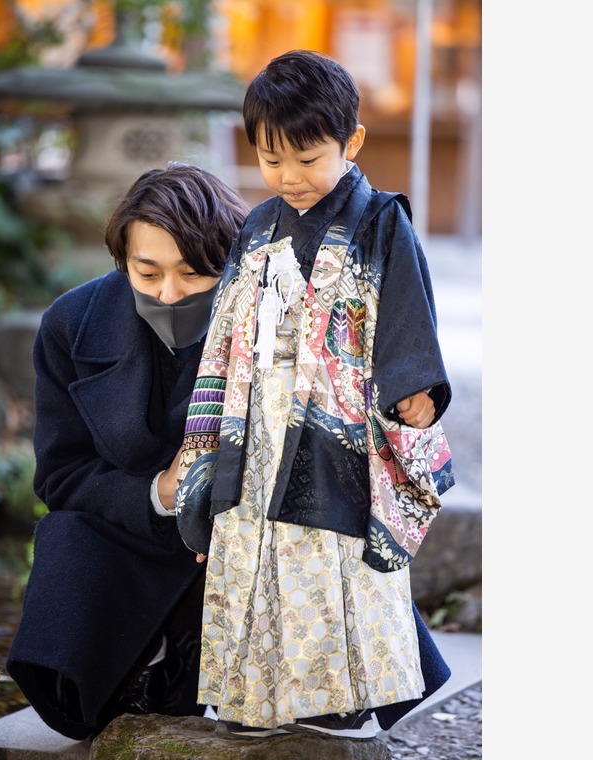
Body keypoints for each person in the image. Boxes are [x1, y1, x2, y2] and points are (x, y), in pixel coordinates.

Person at [173, 50, 456, 740]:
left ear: (351, 143)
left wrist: (414, 385)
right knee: (253, 546)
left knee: (329, 555)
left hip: (336, 422)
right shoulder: (257, 225)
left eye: (308, 159)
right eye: (272, 160)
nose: (290, 178)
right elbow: (226, 327)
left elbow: (407, 307)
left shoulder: (379, 220)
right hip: (255, 418)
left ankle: (338, 697)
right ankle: (251, 693)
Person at [5, 162, 250, 740]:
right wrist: (159, 492)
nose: (169, 293)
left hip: (239, 535)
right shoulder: (72, 323)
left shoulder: (269, 317)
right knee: (67, 533)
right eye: (148, 272)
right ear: (123, 261)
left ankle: (216, 661)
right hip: (128, 529)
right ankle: (145, 662)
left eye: (194, 273)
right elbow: (60, 476)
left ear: (230, 263)